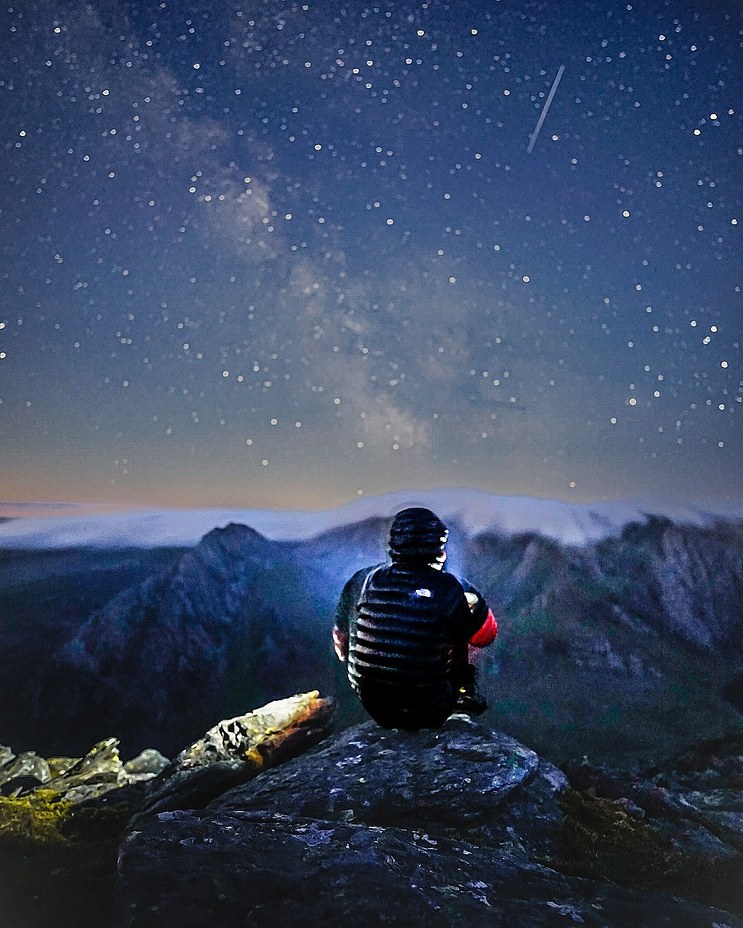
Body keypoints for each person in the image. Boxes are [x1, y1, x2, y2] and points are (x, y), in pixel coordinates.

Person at [332, 507, 498, 730]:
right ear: (438, 549)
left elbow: (340, 639)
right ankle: (463, 694)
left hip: (373, 704)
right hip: (428, 710)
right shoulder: (450, 586)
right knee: (464, 633)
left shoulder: (365, 579)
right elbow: (486, 636)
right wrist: (472, 604)